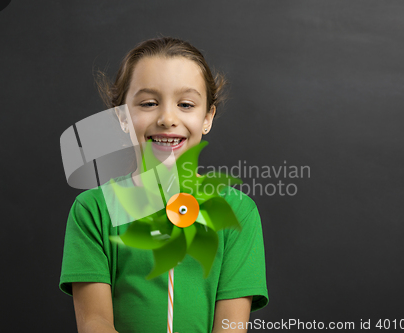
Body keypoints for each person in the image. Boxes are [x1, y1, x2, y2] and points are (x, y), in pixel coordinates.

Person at [59, 36, 268, 333]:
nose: (167, 118)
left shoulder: (238, 212)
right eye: (148, 103)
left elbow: (231, 326)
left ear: (207, 116)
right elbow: (95, 321)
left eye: (185, 104)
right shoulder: (93, 210)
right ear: (121, 117)